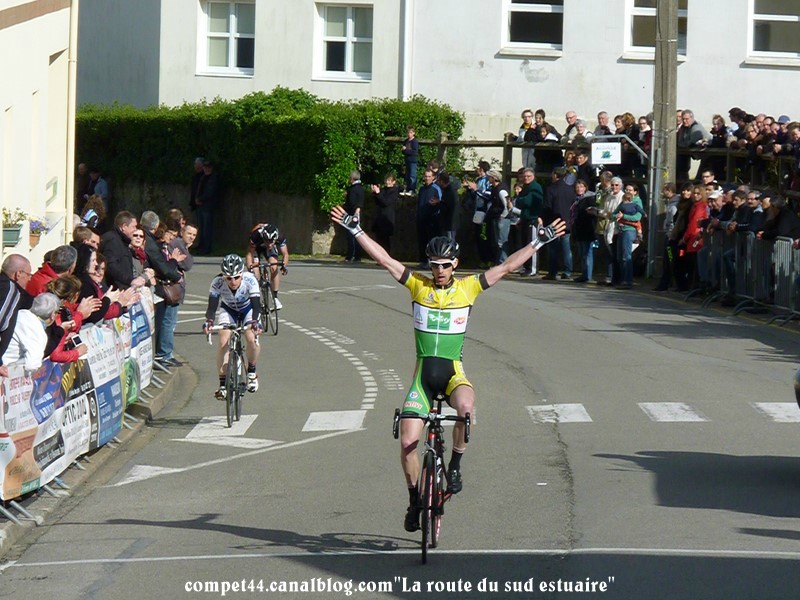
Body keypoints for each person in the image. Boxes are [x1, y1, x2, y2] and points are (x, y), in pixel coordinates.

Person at [329, 204, 565, 533]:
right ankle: (414, 500)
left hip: (453, 373)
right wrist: (355, 231)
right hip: (423, 378)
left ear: (455, 264)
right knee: (408, 443)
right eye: (434, 265)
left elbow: (507, 266)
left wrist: (538, 243)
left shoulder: (468, 288)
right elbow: (385, 259)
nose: (439, 270)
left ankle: (454, 465)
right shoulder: (418, 286)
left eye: (445, 265)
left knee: (466, 407)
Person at [202, 254, 262, 398]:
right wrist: (209, 321)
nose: (233, 281)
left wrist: (255, 322)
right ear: (223, 276)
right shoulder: (217, 282)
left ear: (242, 274)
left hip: (248, 309)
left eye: (236, 277)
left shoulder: (250, 280)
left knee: (251, 338)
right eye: (229, 278)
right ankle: (223, 384)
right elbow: (212, 307)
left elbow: (256, 305)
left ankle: (252, 371)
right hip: (228, 309)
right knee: (223, 342)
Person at [0, 254, 34, 377]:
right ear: (18, 274)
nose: (30, 279)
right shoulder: (11, 290)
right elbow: (2, 323)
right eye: (29, 274)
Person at [100, 211, 149, 290]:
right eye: (134, 227)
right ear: (124, 227)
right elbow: (111, 266)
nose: (135, 230)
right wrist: (130, 280)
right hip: (114, 290)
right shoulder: (112, 241)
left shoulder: (123, 242)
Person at [245, 223, 289, 310]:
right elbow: (249, 254)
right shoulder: (256, 236)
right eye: (266, 241)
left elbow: (285, 254)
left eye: (271, 242)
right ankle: (255, 297)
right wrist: (250, 268)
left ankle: (275, 298)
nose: (269, 244)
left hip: (268, 250)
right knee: (255, 272)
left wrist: (284, 266)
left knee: (274, 267)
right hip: (256, 248)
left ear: (275, 239)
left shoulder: (280, 236)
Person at [542, 167, 574, 279]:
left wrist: (545, 222)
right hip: (566, 221)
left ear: (555, 175)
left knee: (553, 248)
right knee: (566, 248)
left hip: (554, 221)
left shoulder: (551, 189)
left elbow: (547, 207)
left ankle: (553, 272)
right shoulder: (570, 189)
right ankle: (568, 271)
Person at [194, 159, 219, 255]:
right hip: (201, 206)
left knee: (207, 228)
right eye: (205, 167)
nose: (206, 169)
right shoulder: (203, 177)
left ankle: (206, 248)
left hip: (207, 206)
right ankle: (201, 246)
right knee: (202, 227)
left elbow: (210, 192)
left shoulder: (213, 178)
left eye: (208, 167)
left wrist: (201, 199)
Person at [370, 174, 398, 253]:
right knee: (379, 238)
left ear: (393, 182)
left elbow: (386, 202)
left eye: (389, 180)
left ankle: (386, 256)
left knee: (385, 239)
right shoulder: (383, 190)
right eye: (386, 180)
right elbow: (378, 202)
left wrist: (378, 193)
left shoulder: (394, 192)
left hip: (387, 218)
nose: (387, 182)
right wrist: (375, 193)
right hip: (380, 217)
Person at [344, 170, 364, 263]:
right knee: (352, 235)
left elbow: (358, 202)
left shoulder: (355, 189)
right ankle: (354, 255)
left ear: (352, 178)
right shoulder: (357, 188)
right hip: (353, 213)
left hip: (354, 214)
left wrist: (356, 213)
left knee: (353, 234)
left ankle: (353, 255)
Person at [401, 127, 419, 196]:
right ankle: (407, 189)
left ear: (414, 133)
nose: (409, 134)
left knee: (412, 175)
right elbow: (403, 151)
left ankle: (412, 189)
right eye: (408, 133)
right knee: (407, 175)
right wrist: (403, 150)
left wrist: (406, 150)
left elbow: (415, 152)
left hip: (413, 161)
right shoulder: (406, 141)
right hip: (407, 160)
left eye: (411, 133)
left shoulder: (415, 141)